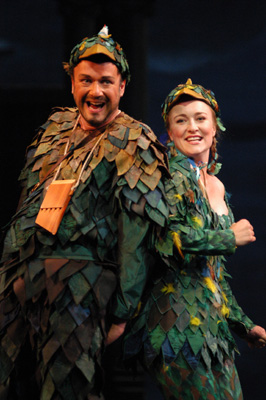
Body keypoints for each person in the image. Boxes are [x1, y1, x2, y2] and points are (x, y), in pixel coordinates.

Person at [0, 26, 170, 399]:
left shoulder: (134, 139)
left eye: (106, 82)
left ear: (122, 87)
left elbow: (136, 233)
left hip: (79, 284)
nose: (96, 91)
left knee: (67, 387)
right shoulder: (55, 129)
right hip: (22, 275)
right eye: (86, 80)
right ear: (73, 83)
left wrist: (124, 311)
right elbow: (26, 202)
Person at [124, 79, 266, 399]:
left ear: (215, 127)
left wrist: (242, 325)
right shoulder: (169, 174)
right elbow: (167, 236)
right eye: (181, 120)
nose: (192, 127)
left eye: (200, 118)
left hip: (213, 330)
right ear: (170, 131)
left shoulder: (216, 185)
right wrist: (227, 237)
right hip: (175, 326)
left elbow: (211, 273)